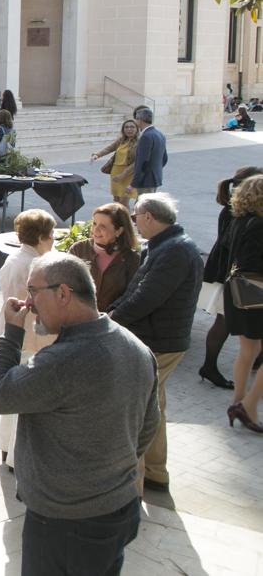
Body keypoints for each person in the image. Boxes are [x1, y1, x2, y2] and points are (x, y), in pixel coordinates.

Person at [0, 252, 158, 576]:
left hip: (66, 523)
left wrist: (11, 334)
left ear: (63, 293)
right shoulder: (136, 346)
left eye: (33, 291)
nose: (29, 302)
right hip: (117, 508)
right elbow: (148, 427)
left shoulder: (64, 362)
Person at [108, 193, 201, 492]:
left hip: (160, 340)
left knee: (137, 409)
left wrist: (111, 319)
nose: (134, 222)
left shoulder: (175, 250)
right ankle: (156, 473)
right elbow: (137, 288)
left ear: (149, 217)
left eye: (136, 216)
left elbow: (147, 297)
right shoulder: (165, 245)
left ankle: (133, 485)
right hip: (158, 337)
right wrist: (111, 312)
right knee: (153, 405)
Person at [0, 210, 57, 466]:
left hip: (12, 331)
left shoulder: (13, 259)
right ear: (41, 236)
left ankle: (6, 448)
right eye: (51, 235)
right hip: (30, 336)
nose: (53, 240)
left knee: (13, 396)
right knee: (26, 398)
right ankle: (15, 455)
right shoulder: (35, 264)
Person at [199, 167, 263, 390]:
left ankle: (254, 360)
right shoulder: (236, 211)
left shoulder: (238, 208)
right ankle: (209, 367)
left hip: (229, 273)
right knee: (223, 321)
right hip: (228, 274)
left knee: (228, 321)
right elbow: (230, 245)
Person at [223, 175, 263, 432]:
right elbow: (252, 264)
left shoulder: (238, 220)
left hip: (238, 292)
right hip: (254, 293)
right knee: (250, 350)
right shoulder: (259, 224)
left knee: (248, 350)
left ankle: (239, 401)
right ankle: (248, 405)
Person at [69, 203, 141, 311]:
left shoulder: (131, 258)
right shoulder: (78, 249)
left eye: (103, 226)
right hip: (79, 318)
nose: (95, 230)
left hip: (113, 322)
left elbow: (132, 296)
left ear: (119, 231)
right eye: (94, 224)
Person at [91, 119, 141, 208]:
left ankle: (126, 221)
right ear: (123, 130)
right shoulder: (121, 140)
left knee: (123, 202)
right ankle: (119, 219)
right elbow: (109, 148)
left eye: (132, 127)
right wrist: (97, 155)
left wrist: (123, 175)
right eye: (126, 127)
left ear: (137, 129)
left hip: (128, 174)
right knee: (117, 200)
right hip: (115, 171)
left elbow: (137, 162)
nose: (129, 129)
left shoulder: (140, 142)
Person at [130, 107, 167, 195]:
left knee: (143, 206)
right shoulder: (159, 133)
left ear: (140, 120)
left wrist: (133, 183)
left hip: (145, 181)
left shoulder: (146, 137)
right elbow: (164, 158)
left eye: (136, 119)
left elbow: (142, 162)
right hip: (154, 178)